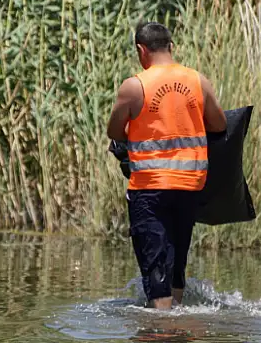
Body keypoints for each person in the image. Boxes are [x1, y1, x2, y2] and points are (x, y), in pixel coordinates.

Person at [106, 21, 227, 310]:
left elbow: (114, 131)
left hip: (150, 189)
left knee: (155, 268)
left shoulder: (134, 86)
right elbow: (220, 124)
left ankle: (163, 330)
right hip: (188, 186)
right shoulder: (198, 80)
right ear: (171, 47)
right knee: (175, 262)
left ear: (141, 50)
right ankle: (178, 327)